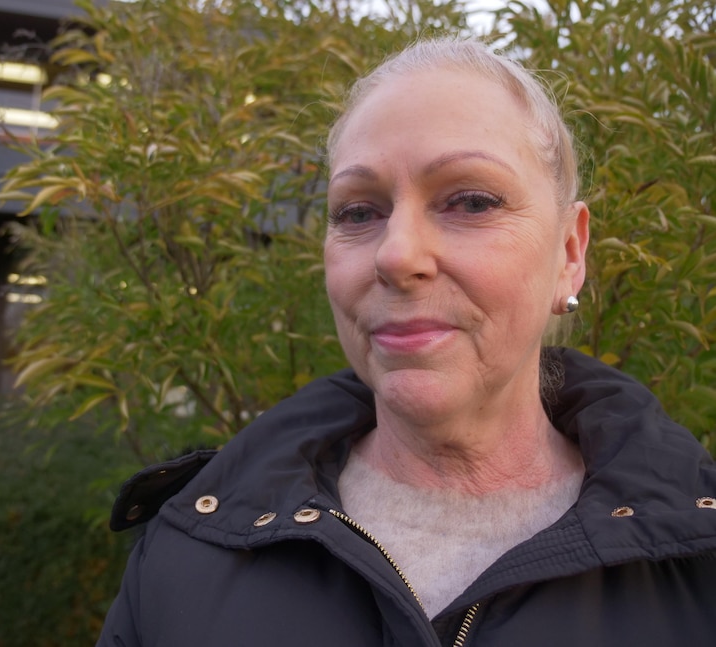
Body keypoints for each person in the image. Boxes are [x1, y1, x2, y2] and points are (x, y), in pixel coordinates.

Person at [96, 38, 716, 646]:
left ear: (570, 253)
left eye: (471, 201)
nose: (396, 255)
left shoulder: (695, 567)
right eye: (358, 213)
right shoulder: (191, 549)